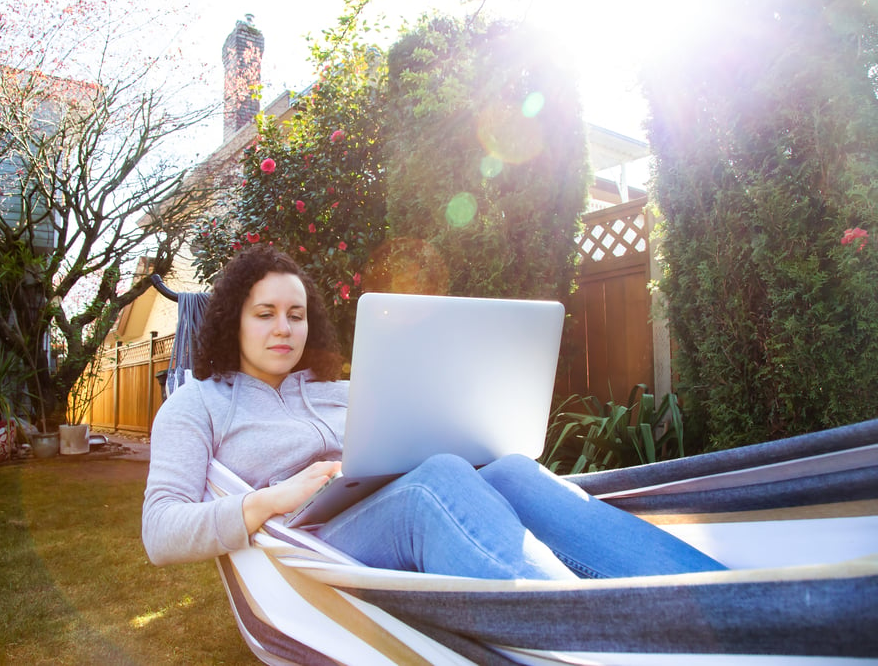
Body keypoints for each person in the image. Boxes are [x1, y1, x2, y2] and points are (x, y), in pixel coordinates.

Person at [142, 245, 726, 580]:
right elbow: (159, 531)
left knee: (511, 472)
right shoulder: (198, 403)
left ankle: (715, 598)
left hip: (403, 494)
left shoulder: (342, 389)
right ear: (231, 320)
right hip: (312, 542)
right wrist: (272, 499)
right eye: (264, 312)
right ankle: (576, 634)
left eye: (295, 314)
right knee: (435, 484)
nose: (283, 328)